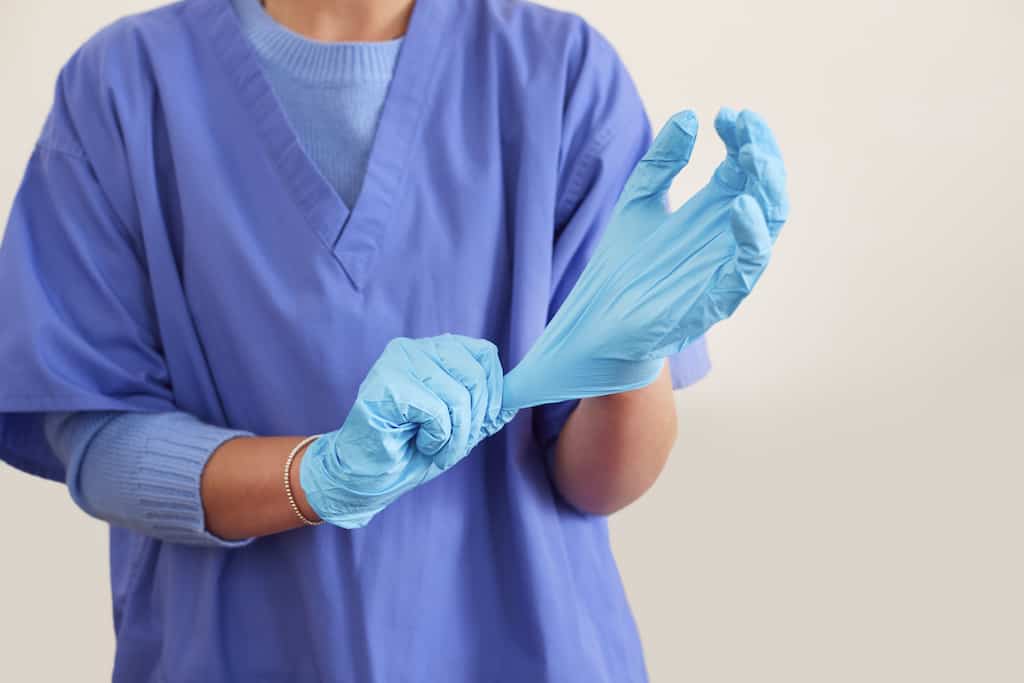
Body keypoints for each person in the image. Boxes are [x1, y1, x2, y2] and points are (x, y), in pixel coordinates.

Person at [0, 0, 748, 680]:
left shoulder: (560, 73)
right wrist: (313, 476)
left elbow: (599, 482)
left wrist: (637, 348)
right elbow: (98, 444)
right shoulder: (124, 89)